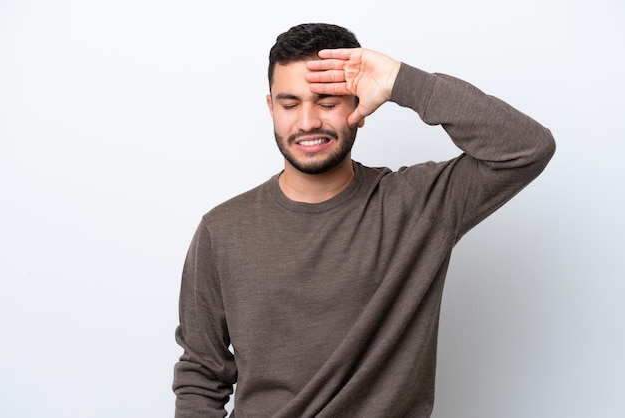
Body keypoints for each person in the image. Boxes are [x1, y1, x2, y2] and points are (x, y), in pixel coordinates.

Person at [172, 23, 555, 417]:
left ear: (360, 103)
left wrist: (400, 81)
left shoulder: (418, 206)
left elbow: (527, 148)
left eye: (327, 102)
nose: (307, 122)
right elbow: (202, 373)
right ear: (271, 109)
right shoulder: (222, 231)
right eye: (290, 105)